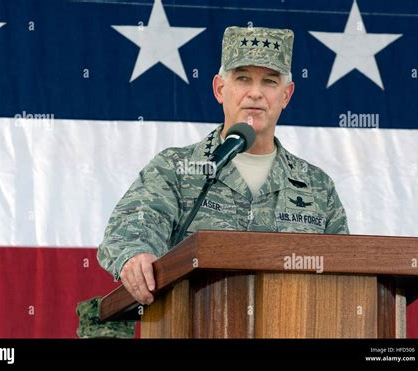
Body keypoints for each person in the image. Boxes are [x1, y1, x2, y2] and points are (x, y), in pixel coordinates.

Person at [77, 26, 349, 337]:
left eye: (270, 81)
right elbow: (136, 223)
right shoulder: (177, 169)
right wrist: (137, 254)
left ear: (286, 95)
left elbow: (344, 276)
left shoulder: (317, 187)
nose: (256, 93)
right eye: (243, 78)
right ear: (220, 88)